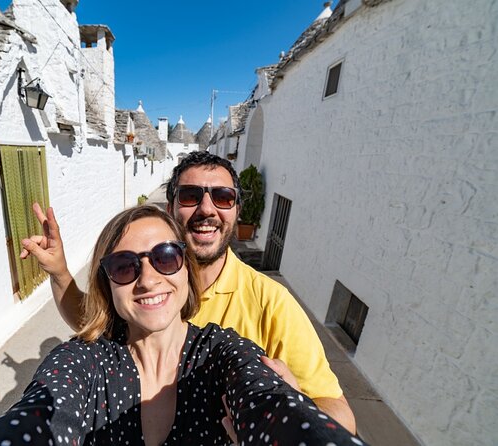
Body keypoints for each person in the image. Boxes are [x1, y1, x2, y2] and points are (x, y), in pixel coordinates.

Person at [0, 206, 364, 445]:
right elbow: (48, 406)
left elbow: (273, 408)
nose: (147, 279)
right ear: (107, 285)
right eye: (124, 266)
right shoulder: (85, 361)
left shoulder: (223, 353)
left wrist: (291, 414)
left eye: (165, 257)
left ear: (187, 269)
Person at [21, 152, 356, 433]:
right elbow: (96, 325)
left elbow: (340, 414)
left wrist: (292, 416)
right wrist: (61, 274)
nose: (207, 209)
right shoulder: (139, 290)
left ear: (237, 211)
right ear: (171, 208)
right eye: (191, 196)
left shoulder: (270, 302)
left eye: (223, 197)